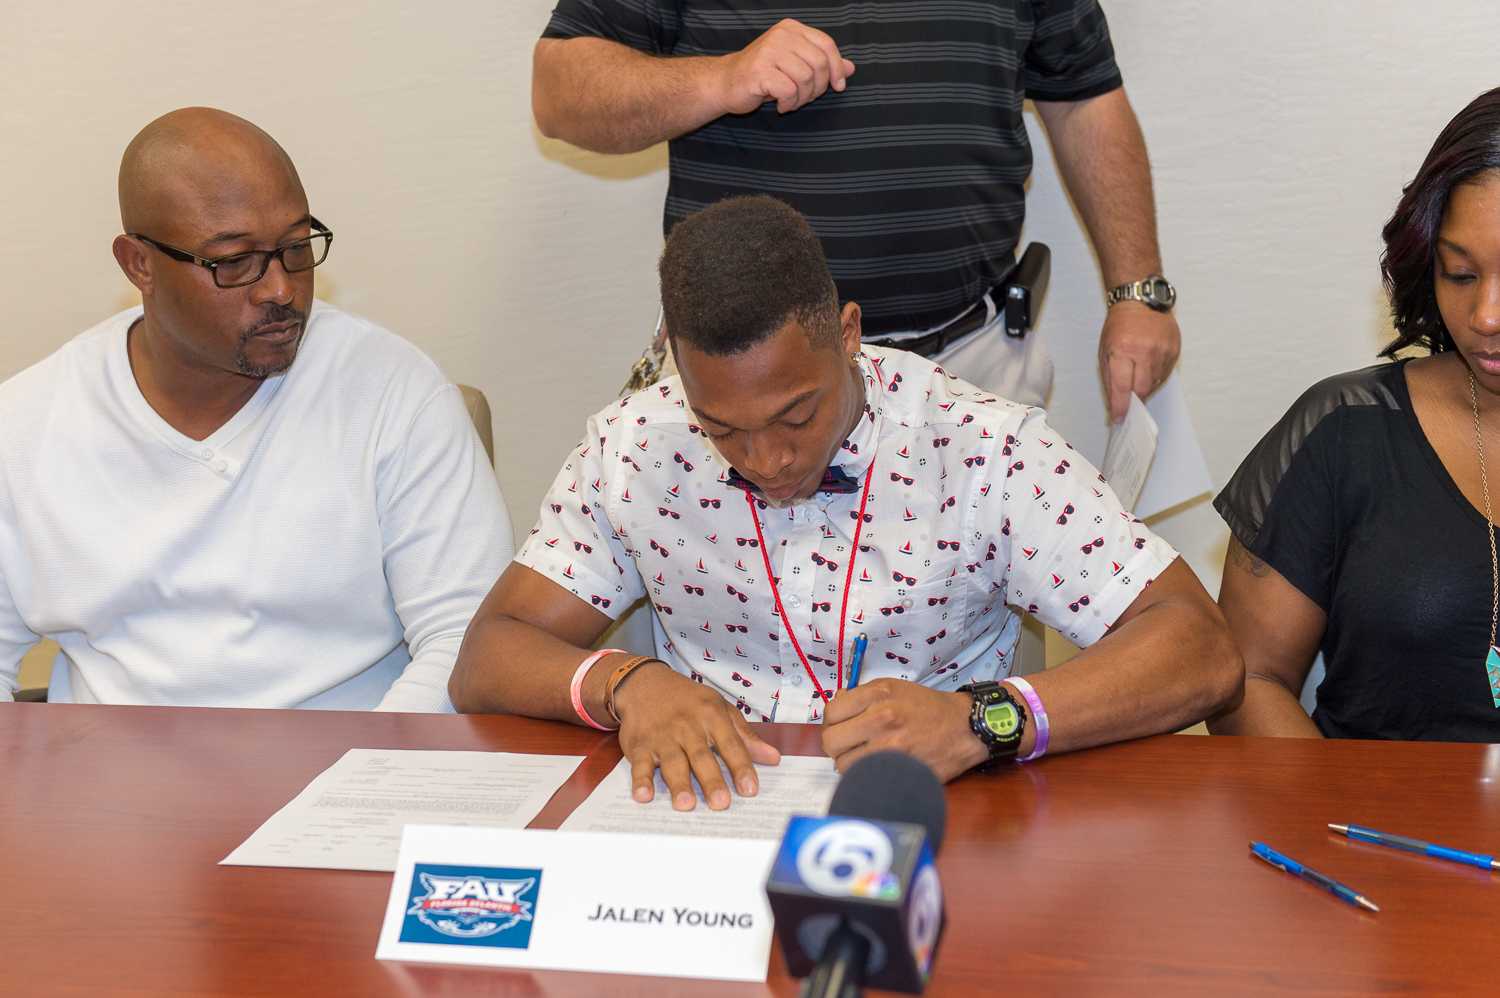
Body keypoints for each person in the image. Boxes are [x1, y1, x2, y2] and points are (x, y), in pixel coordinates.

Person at [451, 196, 1239, 810]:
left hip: (943, 816)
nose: (767, 460)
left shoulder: (980, 448)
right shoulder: (636, 447)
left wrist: (981, 720)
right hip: (711, 809)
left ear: (849, 333)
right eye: (722, 428)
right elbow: (488, 655)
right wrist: (628, 684)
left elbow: (1201, 649)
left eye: (797, 415)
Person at [0, 108, 514, 710]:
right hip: (112, 782)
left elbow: (468, 638)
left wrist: (357, 793)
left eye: (296, 247)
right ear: (139, 263)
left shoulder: (392, 391)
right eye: (235, 261)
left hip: (351, 765)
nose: (279, 288)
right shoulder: (28, 421)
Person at [532, 1, 1181, 420]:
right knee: (740, 631)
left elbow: (1086, 96)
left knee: (985, 632)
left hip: (971, 366)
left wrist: (1138, 292)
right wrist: (721, 79)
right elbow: (559, 92)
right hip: (748, 384)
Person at [1208, 88, 1500, 741]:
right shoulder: (1345, 430)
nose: (1486, 317)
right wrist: (1335, 819)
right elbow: (1245, 680)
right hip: (1381, 834)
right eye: (1460, 275)